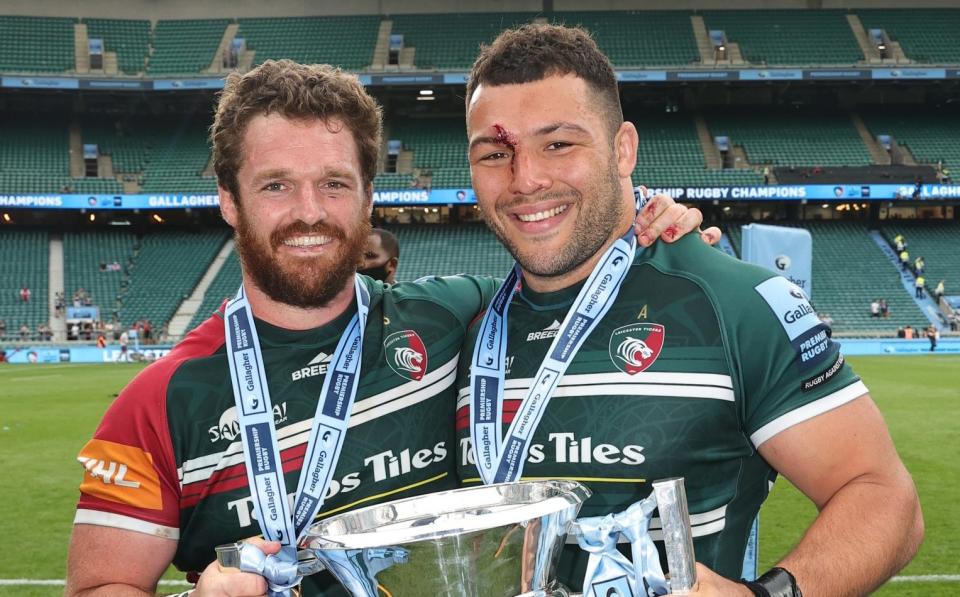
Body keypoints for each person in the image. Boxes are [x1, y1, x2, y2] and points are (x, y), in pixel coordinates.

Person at [65, 59, 712, 597]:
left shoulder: (460, 319)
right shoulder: (155, 404)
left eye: (335, 183)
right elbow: (99, 585)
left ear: (370, 196)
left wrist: (659, 231)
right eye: (276, 186)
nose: (310, 212)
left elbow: (593, 288)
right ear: (229, 198)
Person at [454, 23, 922, 597]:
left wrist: (765, 595)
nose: (526, 179)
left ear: (623, 149)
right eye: (496, 152)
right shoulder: (459, 325)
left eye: (559, 144)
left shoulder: (738, 305)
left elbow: (882, 493)